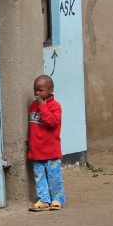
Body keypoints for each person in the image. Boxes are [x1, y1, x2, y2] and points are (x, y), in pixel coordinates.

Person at [27, 74, 65, 212]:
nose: (37, 93)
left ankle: (57, 199)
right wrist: (29, 141)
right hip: (36, 150)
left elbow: (51, 122)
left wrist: (43, 107)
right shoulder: (32, 105)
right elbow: (32, 126)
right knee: (40, 178)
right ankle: (43, 200)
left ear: (50, 91)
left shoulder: (55, 106)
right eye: (35, 90)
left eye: (41, 90)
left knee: (54, 177)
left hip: (51, 151)